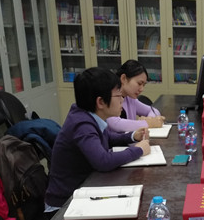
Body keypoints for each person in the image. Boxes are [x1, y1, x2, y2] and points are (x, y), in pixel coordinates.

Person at [45, 67, 151, 209]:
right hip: (64, 205)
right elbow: (103, 161)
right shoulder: (82, 124)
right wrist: (138, 150)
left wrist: (132, 136)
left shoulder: (88, 115)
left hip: (83, 192)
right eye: (119, 96)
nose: (122, 100)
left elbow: (107, 137)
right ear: (100, 102)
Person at [106, 60, 165, 133]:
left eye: (144, 85)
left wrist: (150, 119)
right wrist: (148, 123)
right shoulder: (109, 97)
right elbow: (116, 124)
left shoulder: (130, 98)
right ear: (123, 78)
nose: (142, 89)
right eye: (139, 83)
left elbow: (154, 111)